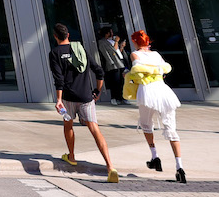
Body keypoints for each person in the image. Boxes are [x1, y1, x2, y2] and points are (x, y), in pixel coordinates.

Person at [49, 22, 119, 183]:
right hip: (86, 97)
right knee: (95, 129)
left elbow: (58, 78)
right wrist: (97, 91)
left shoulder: (54, 53)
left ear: (55, 37)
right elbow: (99, 71)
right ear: (68, 36)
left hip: (68, 97)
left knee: (68, 126)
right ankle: (110, 167)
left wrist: (59, 99)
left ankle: (71, 156)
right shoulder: (79, 49)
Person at [127, 29, 187, 183]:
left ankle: (155, 156)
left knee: (146, 124)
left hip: (147, 91)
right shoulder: (157, 55)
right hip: (163, 90)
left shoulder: (135, 55)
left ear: (135, 42)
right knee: (171, 130)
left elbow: (138, 72)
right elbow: (164, 69)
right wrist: (157, 70)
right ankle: (179, 167)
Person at [97, 26, 128, 106]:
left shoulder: (112, 41)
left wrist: (121, 47)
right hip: (113, 64)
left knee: (122, 81)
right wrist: (116, 42)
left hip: (120, 62)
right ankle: (114, 98)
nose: (112, 34)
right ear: (107, 33)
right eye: (110, 32)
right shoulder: (102, 42)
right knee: (115, 82)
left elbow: (117, 51)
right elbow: (108, 53)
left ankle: (122, 97)